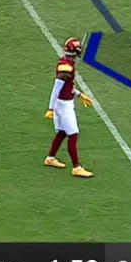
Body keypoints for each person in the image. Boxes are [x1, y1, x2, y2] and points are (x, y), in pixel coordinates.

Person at [43, 37, 95, 178]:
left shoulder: (67, 62)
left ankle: (50, 158)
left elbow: (66, 86)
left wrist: (78, 94)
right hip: (63, 105)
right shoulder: (66, 66)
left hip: (64, 102)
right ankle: (76, 167)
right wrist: (51, 108)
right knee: (73, 134)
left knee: (62, 132)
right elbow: (57, 88)